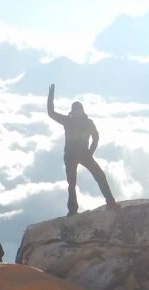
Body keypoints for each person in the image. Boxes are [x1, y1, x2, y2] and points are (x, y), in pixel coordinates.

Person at [47, 83, 117, 216]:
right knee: (72, 183)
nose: (78, 113)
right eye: (76, 111)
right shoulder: (68, 121)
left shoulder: (87, 122)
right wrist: (50, 97)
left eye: (79, 110)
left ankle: (110, 201)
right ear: (73, 112)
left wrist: (90, 152)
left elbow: (96, 137)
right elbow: (51, 113)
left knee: (100, 175)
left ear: (82, 111)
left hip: (83, 154)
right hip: (71, 156)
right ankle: (72, 211)